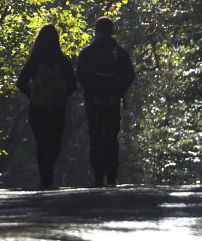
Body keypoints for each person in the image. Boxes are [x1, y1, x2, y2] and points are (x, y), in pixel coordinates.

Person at [75, 16, 135, 187]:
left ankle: (97, 177)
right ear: (112, 31)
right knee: (111, 137)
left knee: (95, 137)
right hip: (112, 100)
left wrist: (92, 93)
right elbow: (129, 75)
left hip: (93, 101)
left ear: (96, 30)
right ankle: (112, 177)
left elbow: (80, 75)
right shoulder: (119, 52)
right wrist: (117, 94)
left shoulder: (87, 52)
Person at [17, 23, 77, 189]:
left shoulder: (34, 61)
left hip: (37, 108)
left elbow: (20, 83)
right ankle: (50, 165)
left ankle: (44, 175)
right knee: (55, 141)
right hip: (57, 107)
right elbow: (73, 84)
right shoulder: (62, 61)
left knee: (41, 142)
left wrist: (34, 95)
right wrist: (62, 96)